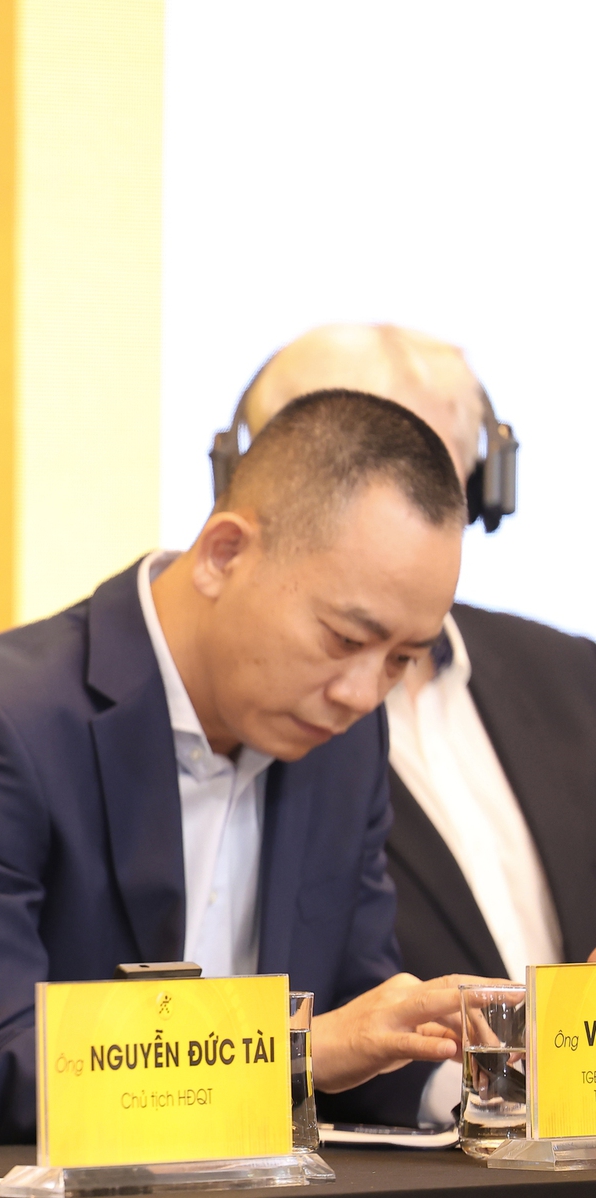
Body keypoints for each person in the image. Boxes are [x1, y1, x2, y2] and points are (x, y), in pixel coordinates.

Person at [0, 390, 474, 1146]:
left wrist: (492, 1066)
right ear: (224, 555)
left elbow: (356, 1024)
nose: (360, 693)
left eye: (402, 660)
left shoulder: (344, 742)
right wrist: (296, 1052)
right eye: (345, 639)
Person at [230, 326, 596, 985]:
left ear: (480, 489)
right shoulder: (236, 720)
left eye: (426, 475)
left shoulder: (572, 675)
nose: (395, 505)